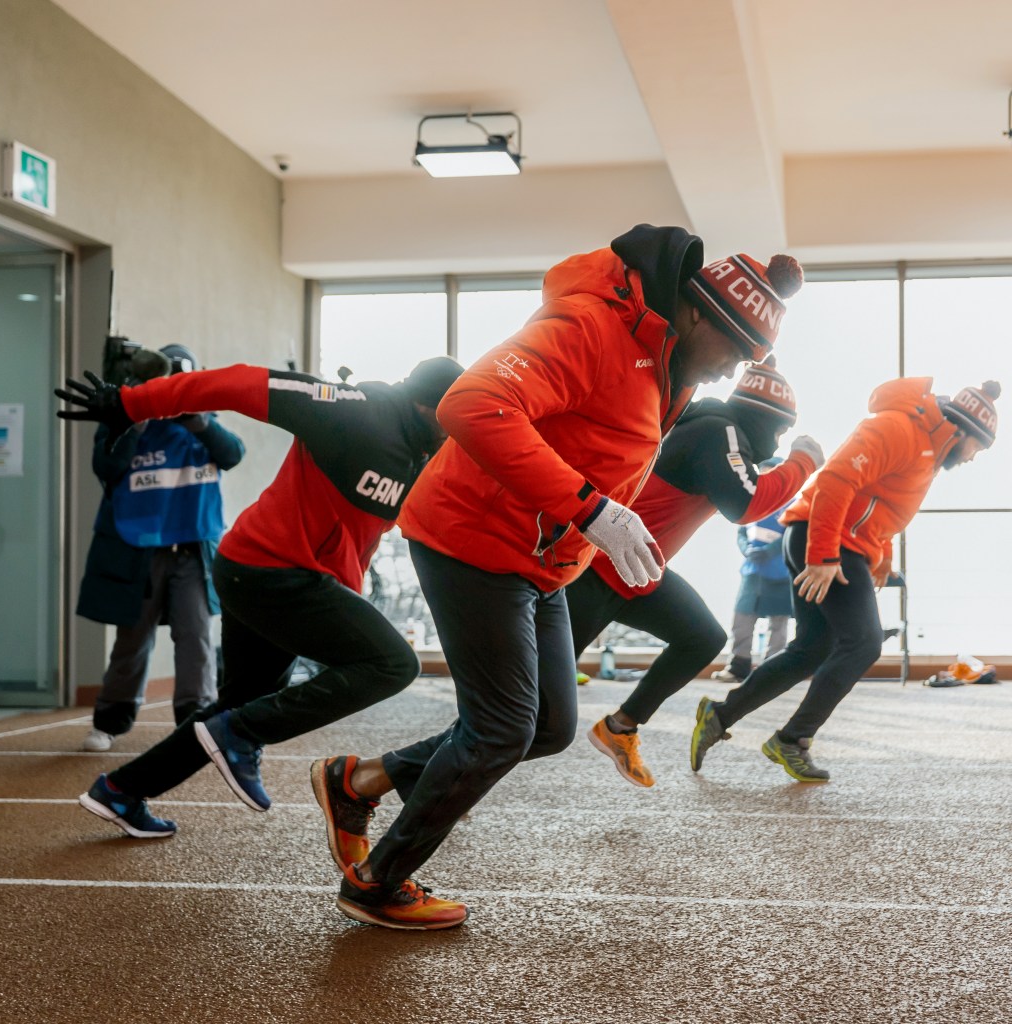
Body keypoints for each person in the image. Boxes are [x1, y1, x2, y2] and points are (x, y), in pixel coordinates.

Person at [310, 226, 807, 930]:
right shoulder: (594, 326)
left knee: (547, 726)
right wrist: (591, 507)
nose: (734, 371)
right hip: (469, 535)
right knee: (502, 728)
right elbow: (472, 404)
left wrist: (587, 522)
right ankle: (378, 881)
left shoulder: (670, 365)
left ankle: (358, 780)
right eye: (735, 351)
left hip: (542, 557)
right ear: (698, 314)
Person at [55, 354, 464, 840]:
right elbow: (238, 383)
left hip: (274, 575)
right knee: (393, 664)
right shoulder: (351, 410)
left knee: (241, 702)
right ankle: (243, 734)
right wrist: (131, 403)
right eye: (447, 425)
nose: (451, 438)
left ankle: (121, 791)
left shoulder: (430, 455)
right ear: (424, 407)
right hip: (272, 569)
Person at [690, 377, 1001, 783]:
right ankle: (793, 739)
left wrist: (883, 557)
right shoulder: (900, 426)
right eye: (979, 446)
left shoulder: (929, 451)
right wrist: (822, 555)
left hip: (840, 541)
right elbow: (836, 479)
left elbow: (882, 503)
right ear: (963, 431)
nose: (975, 457)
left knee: (811, 648)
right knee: (864, 642)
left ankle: (719, 715)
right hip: (828, 539)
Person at [568, 359, 823, 788]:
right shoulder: (716, 432)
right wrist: (802, 461)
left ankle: (620, 728)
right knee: (529, 714)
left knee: (704, 637)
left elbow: (745, 486)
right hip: (593, 572)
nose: (777, 441)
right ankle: (425, 771)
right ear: (764, 419)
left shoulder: (720, 432)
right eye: (778, 431)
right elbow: (747, 504)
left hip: (634, 571)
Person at [78, 344, 244, 752]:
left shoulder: (203, 422)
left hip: (191, 549)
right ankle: (109, 722)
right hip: (140, 548)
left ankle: (196, 727)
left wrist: (199, 422)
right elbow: (106, 467)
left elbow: (233, 454)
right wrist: (135, 419)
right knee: (132, 641)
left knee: (197, 638)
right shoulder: (128, 420)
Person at [711, 458, 796, 685]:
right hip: (752, 570)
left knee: (778, 623)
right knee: (742, 618)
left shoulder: (793, 503)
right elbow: (741, 532)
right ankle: (738, 666)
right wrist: (747, 549)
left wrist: (769, 551)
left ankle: (772, 670)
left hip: (780, 571)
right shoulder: (752, 500)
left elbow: (793, 535)